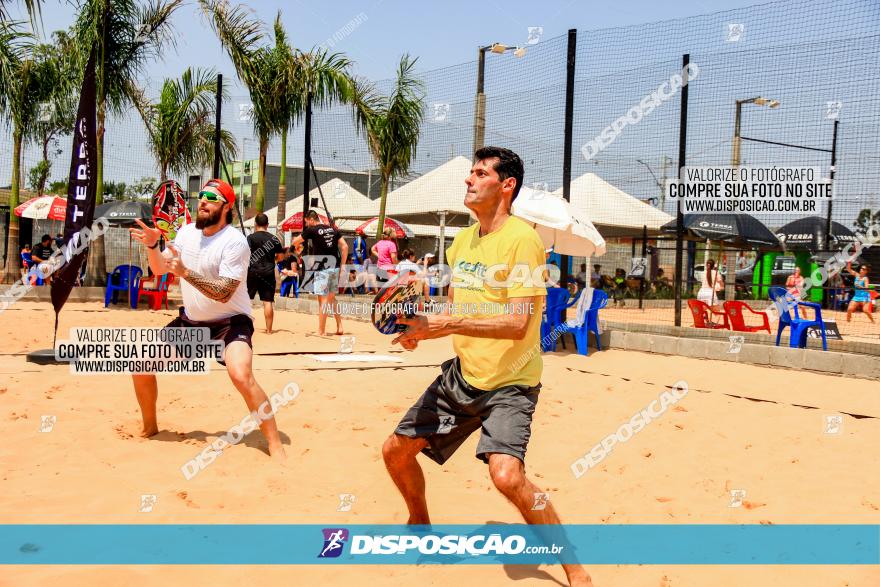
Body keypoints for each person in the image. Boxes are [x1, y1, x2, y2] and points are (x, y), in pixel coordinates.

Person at [382, 146, 593, 587]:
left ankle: (574, 568)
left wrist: (447, 320)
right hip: (462, 377)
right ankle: (419, 522)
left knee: (507, 477)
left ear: (506, 184)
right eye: (470, 173)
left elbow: (517, 324)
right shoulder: (462, 241)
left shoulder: (524, 241)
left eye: (480, 173)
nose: (469, 180)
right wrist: (421, 330)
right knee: (395, 452)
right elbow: (460, 311)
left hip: (511, 384)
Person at [128, 179, 285, 458]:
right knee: (141, 364)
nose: (202, 201)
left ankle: (274, 443)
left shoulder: (235, 242)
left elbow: (224, 293)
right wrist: (153, 246)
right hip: (192, 323)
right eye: (201, 196)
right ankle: (150, 427)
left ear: (227, 206)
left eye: (211, 197)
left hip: (230, 322)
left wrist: (186, 273)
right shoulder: (187, 233)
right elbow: (159, 269)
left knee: (240, 374)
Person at [292, 210, 349, 336]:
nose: (307, 225)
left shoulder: (312, 230)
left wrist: (297, 247)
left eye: (307, 222)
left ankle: (321, 331)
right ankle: (339, 326)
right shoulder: (333, 229)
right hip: (334, 266)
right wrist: (343, 266)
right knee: (332, 298)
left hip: (322, 268)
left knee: (323, 300)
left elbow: (295, 241)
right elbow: (345, 247)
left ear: (311, 219)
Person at [246, 213, 284, 334]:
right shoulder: (274, 239)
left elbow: (244, 255)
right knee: (267, 302)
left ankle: (245, 327)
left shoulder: (250, 238)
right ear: (267, 225)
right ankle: (269, 330)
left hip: (253, 272)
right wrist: (273, 260)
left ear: (255, 224)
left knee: (247, 301)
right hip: (268, 273)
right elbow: (281, 257)